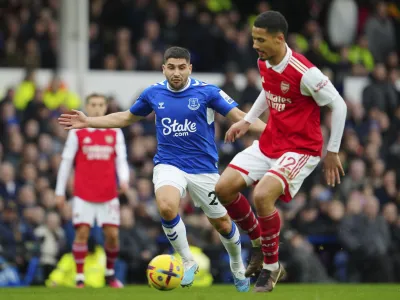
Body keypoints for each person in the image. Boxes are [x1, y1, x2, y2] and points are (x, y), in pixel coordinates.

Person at [58, 46, 266, 292]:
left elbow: (240, 116)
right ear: (163, 69)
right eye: (171, 67)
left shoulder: (207, 92)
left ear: (189, 68)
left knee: (222, 223)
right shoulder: (153, 93)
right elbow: (126, 118)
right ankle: (187, 261)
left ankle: (235, 263)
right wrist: (88, 122)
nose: (176, 72)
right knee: (166, 207)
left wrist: (277, 134)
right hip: (169, 164)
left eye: (181, 67)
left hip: (203, 169)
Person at [215, 11, 347, 292]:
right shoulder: (264, 61)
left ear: (280, 39)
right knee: (223, 188)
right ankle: (258, 245)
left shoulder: (305, 72)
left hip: (301, 149)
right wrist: (248, 120)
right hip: (271, 142)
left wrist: (333, 151)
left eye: (260, 40)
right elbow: (268, 89)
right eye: (253, 39)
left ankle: (272, 267)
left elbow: (340, 105)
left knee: (262, 195)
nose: (255, 45)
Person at [55, 93, 130, 288]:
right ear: (87, 107)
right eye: (93, 104)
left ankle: (110, 274)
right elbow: (66, 162)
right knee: (82, 233)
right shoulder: (77, 132)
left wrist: (124, 180)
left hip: (108, 193)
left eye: (100, 105)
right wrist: (59, 191)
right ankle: (80, 277)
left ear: (105, 108)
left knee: (112, 235)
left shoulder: (114, 131)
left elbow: (121, 159)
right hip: (84, 193)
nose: (97, 108)